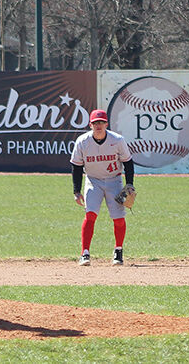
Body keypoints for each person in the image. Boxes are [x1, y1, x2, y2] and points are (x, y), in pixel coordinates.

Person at [70, 109, 134, 266]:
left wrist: (130, 184)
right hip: (93, 181)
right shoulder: (82, 141)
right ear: (90, 125)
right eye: (95, 123)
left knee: (118, 218)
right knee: (90, 215)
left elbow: (128, 162)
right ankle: (85, 253)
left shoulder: (117, 140)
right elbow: (76, 167)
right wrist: (76, 191)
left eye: (101, 122)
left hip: (114, 181)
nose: (98, 125)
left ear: (106, 124)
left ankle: (118, 250)